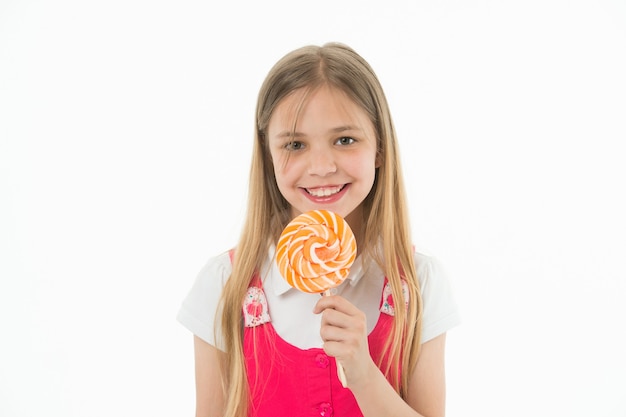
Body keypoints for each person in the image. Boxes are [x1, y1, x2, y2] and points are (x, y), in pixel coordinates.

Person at [177, 42, 460, 417]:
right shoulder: (225, 286)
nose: (322, 166)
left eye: (345, 140)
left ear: (379, 147)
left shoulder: (418, 284)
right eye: (295, 144)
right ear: (268, 156)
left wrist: (363, 374)